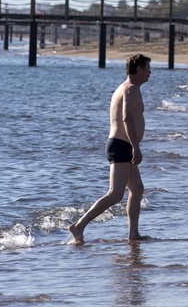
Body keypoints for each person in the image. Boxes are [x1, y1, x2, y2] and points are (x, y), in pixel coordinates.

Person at [69, 54, 151, 244]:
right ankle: (79, 226)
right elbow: (127, 118)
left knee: (137, 189)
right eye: (147, 69)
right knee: (115, 193)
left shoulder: (126, 89)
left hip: (124, 144)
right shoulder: (130, 90)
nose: (149, 73)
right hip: (122, 145)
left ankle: (133, 234)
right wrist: (136, 147)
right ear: (138, 69)